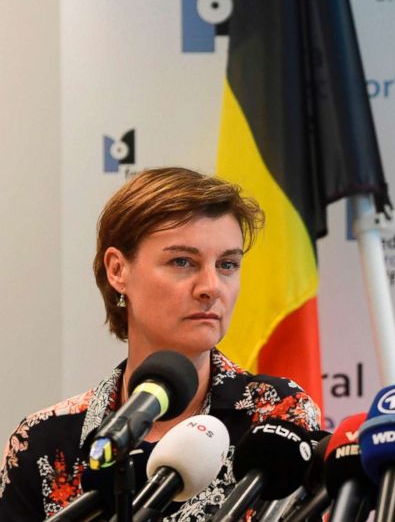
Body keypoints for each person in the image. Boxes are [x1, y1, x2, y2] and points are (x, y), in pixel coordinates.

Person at [0, 168, 322, 519]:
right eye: (182, 261)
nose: (211, 287)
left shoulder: (274, 414)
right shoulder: (44, 439)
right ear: (118, 270)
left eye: (227, 264)